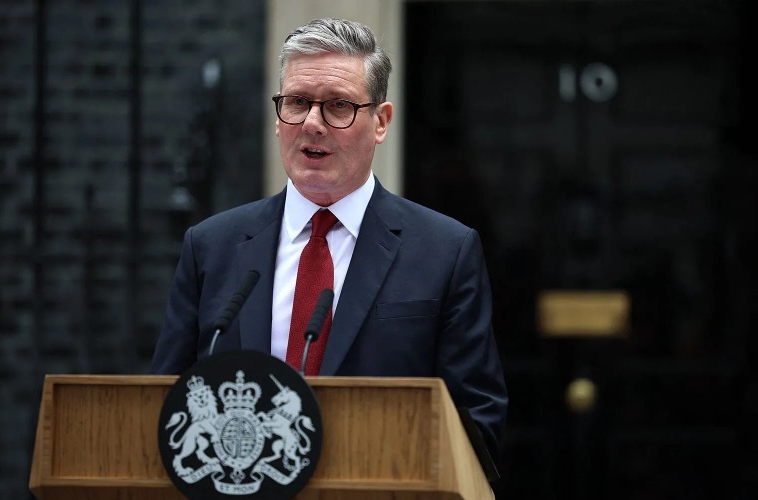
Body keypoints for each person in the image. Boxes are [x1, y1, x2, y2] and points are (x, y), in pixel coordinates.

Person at [150, 18, 507, 464]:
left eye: (338, 106)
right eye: (297, 102)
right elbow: (164, 406)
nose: (312, 124)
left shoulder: (445, 252)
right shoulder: (211, 247)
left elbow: (478, 425)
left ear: (381, 121)